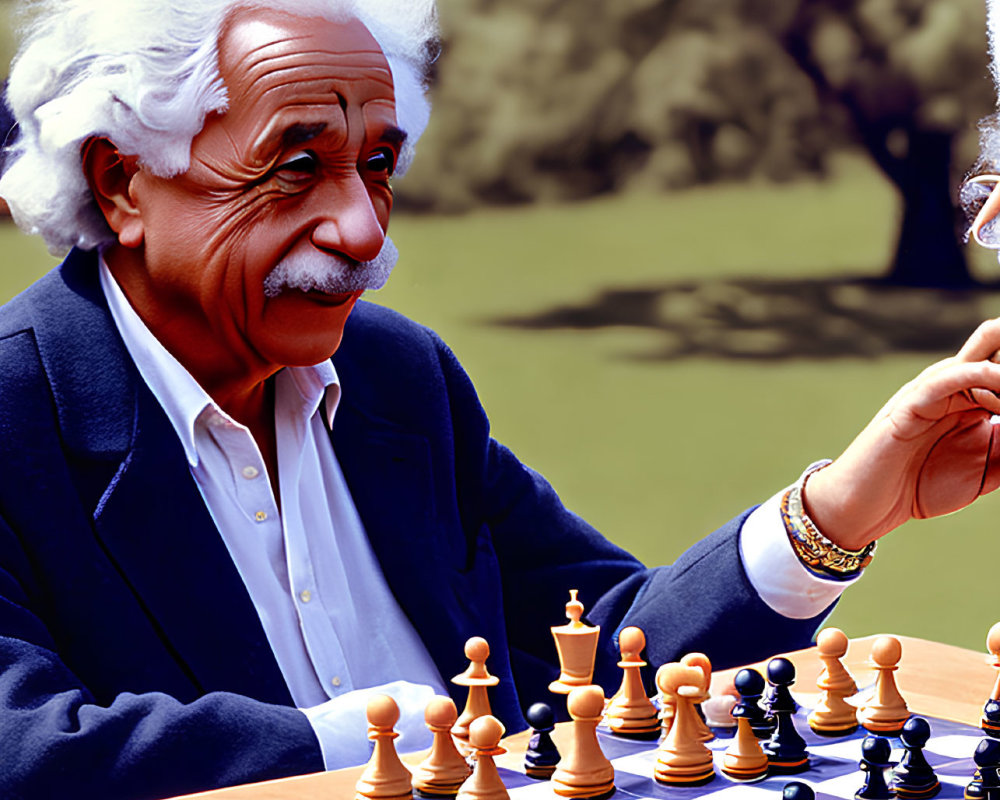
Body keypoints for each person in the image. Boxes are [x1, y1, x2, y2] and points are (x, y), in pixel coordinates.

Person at [3, 0, 1000, 798]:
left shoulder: (400, 377)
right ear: (125, 179)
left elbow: (602, 648)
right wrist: (386, 730)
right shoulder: (14, 411)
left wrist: (836, 511)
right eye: (295, 166)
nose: (359, 229)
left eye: (379, 164)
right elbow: (26, 751)